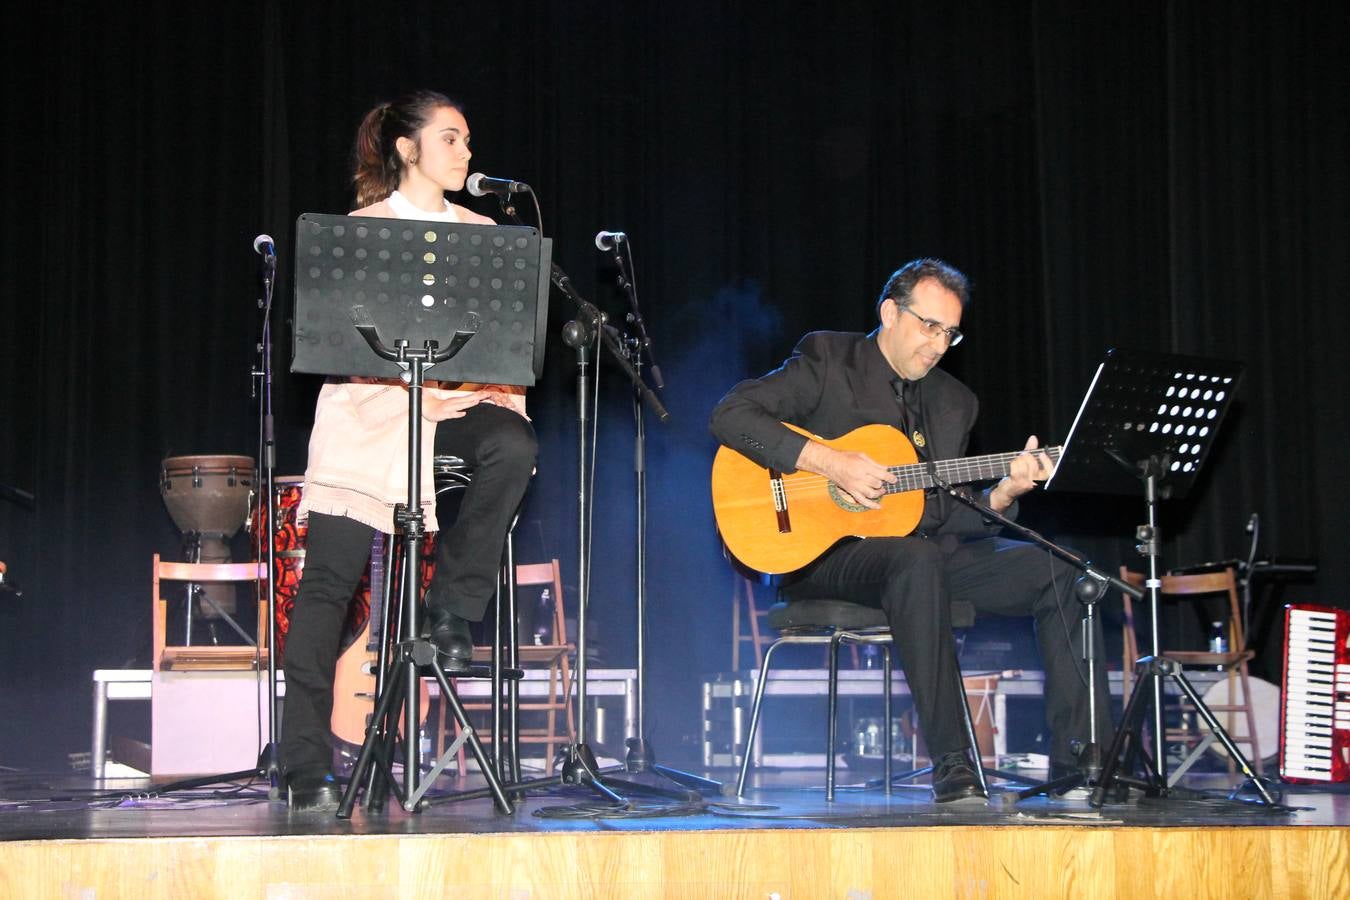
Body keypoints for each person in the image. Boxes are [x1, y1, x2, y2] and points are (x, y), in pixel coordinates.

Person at [709, 258, 1112, 803]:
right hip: (824, 557)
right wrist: (830, 464)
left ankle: (1081, 763)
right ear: (890, 313)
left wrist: (1003, 494)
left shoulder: (955, 402)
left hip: (921, 555)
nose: (940, 344)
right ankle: (953, 762)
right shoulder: (828, 359)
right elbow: (732, 415)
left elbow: (939, 514)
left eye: (951, 332)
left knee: (1060, 569)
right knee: (914, 561)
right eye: (929, 326)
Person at [280, 90, 538, 810]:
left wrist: (484, 396)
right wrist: (420, 395)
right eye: (452, 139)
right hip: (372, 419)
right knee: (328, 581)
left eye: (466, 140)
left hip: (450, 411)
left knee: (512, 443)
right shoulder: (363, 230)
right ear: (407, 148)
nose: (466, 153)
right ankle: (304, 761)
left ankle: (448, 610)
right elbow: (345, 350)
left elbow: (503, 353)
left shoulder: (481, 231)